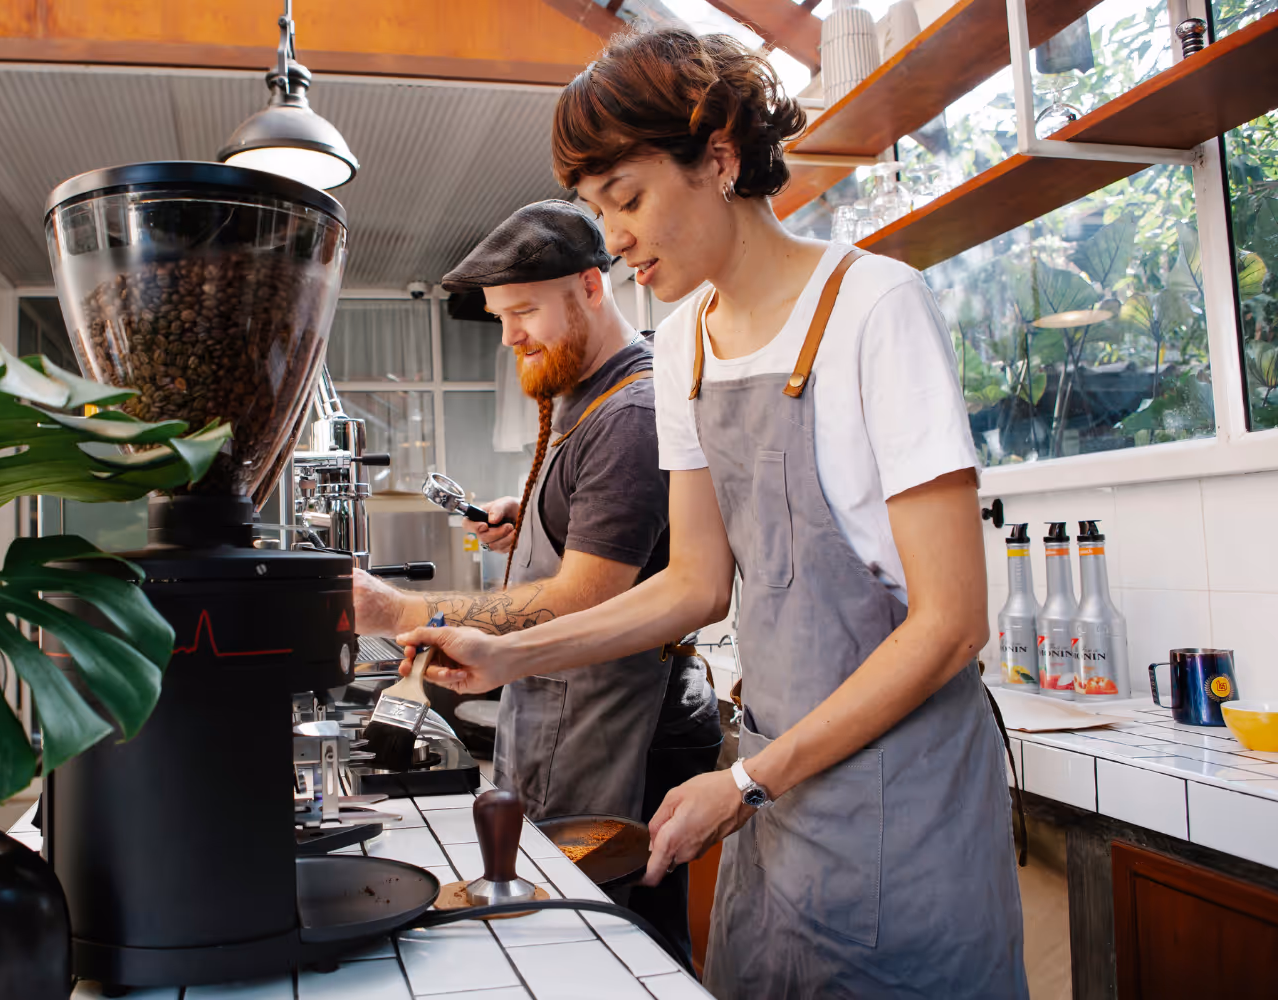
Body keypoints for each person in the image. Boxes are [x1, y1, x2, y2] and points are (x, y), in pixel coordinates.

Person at [393, 28, 1027, 999]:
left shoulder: (874, 309)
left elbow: (950, 623)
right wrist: (505, 654)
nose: (612, 239)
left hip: (904, 789)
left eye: (630, 199)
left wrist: (745, 780)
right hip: (775, 790)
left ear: (719, 158)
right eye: (597, 210)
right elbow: (693, 585)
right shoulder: (682, 342)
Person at [352, 199, 721, 958]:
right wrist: (535, 519)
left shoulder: (631, 411)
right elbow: (603, 540)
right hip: (570, 715)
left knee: (628, 948)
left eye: (523, 310)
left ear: (591, 286)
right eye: (499, 316)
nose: (511, 333)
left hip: (627, 726)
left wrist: (400, 610)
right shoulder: (585, 395)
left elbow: (585, 596)